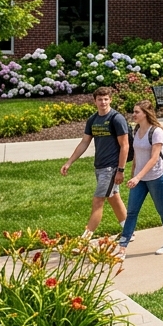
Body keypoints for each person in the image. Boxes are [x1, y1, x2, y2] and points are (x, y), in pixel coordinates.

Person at [61, 87, 128, 238]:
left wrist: (121, 170)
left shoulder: (116, 119)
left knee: (98, 201)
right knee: (114, 198)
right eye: (100, 99)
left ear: (110, 99)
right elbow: (85, 142)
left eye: (106, 99)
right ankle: (128, 230)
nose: (103, 102)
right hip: (99, 166)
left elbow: (125, 145)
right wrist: (69, 162)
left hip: (111, 168)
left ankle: (84, 239)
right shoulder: (93, 119)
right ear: (95, 101)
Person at [116, 100, 163, 257]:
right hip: (140, 178)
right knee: (132, 212)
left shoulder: (156, 132)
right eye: (133, 111)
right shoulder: (136, 130)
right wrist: (133, 174)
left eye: (137, 112)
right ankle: (122, 248)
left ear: (146, 114)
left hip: (157, 176)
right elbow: (136, 153)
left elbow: (154, 158)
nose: (133, 115)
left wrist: (138, 177)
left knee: (162, 209)